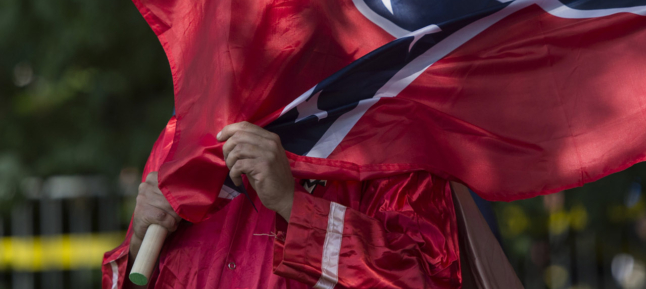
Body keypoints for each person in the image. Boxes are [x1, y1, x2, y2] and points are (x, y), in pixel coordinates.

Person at [108, 121, 461, 289]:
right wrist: (138, 242)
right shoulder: (180, 139)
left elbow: (423, 283)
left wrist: (294, 206)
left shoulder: (395, 140)